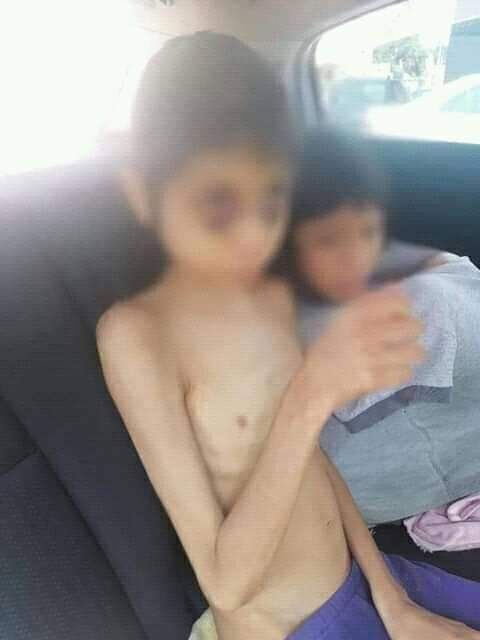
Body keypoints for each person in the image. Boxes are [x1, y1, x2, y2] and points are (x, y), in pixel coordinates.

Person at [96, 33, 480, 639]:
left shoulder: (267, 296)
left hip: (365, 581)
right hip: (290, 626)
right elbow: (225, 583)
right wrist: (312, 394)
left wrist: (393, 599)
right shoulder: (136, 337)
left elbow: (313, 462)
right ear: (145, 192)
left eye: (270, 200)